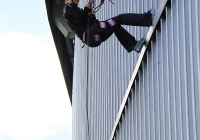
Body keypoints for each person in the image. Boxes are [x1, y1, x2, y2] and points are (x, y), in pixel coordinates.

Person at [63, 0, 156, 53]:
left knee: (115, 26)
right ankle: (147, 18)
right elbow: (81, 18)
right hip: (92, 33)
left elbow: (84, 20)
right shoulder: (68, 8)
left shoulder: (72, 9)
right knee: (120, 18)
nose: (78, 0)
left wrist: (89, 5)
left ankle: (133, 45)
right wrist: (86, 8)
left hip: (93, 37)